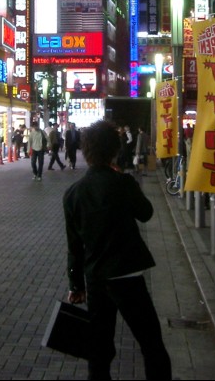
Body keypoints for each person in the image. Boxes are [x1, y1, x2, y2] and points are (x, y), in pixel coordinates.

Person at [63, 120, 171, 380]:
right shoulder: (123, 184)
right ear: (114, 150)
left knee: (99, 350)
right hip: (127, 275)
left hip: (96, 278)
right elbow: (145, 214)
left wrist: (76, 284)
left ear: (85, 151)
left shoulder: (73, 194)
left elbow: (74, 245)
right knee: (151, 344)